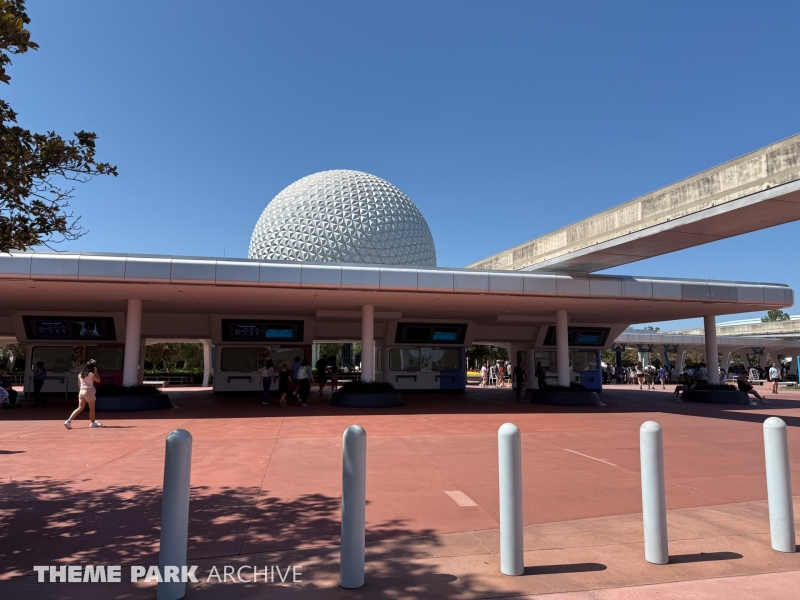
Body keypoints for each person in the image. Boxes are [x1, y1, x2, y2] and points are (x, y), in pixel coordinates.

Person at [64, 360, 102, 429]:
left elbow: (79, 384)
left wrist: (81, 391)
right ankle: (93, 423)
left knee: (80, 408)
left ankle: (68, 421)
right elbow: (98, 380)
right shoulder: (91, 374)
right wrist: (96, 372)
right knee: (92, 408)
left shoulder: (80, 374)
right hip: (89, 391)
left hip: (81, 391)